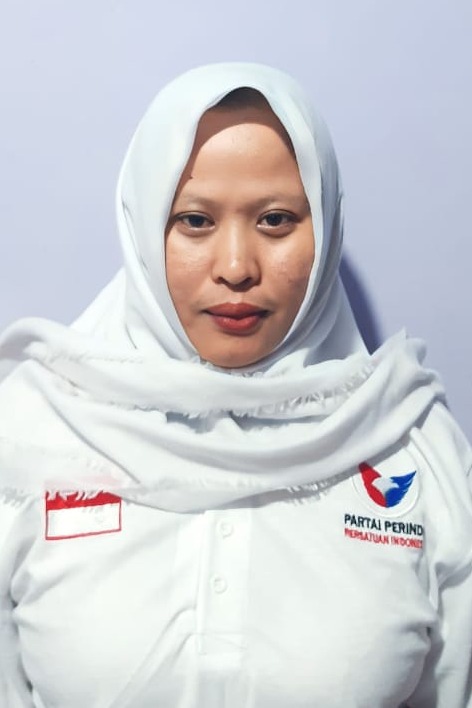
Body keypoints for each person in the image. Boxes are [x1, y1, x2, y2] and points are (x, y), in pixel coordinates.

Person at [0, 62, 471, 708]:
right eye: (195, 221)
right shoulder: (34, 432)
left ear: (326, 226)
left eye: (275, 219)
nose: (236, 266)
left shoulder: (411, 447)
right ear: (142, 229)